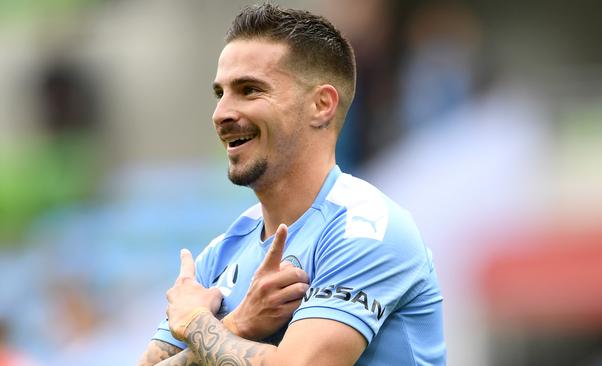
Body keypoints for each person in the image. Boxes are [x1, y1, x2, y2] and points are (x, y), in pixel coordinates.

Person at [139, 4, 445, 365]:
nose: (221, 113)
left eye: (249, 90)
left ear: (321, 104)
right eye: (220, 93)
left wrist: (196, 323)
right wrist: (238, 323)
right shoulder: (224, 252)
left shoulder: (367, 229)